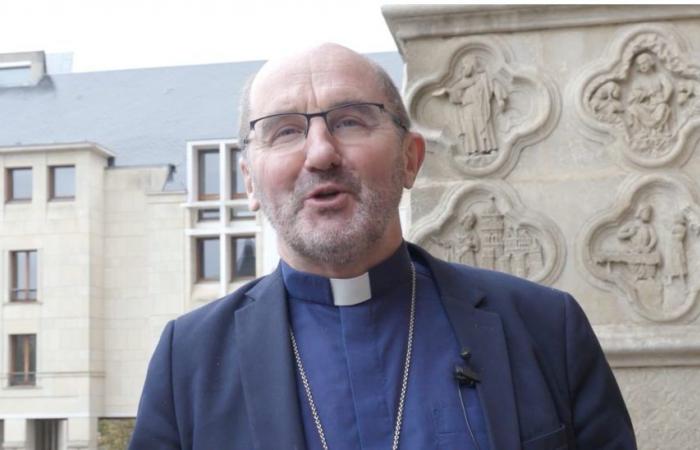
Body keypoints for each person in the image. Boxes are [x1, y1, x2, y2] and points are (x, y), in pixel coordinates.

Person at [130, 43, 636, 450]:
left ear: (410, 159)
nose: (321, 154)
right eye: (284, 131)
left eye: (350, 120)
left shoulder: (545, 328)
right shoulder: (189, 360)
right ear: (249, 182)